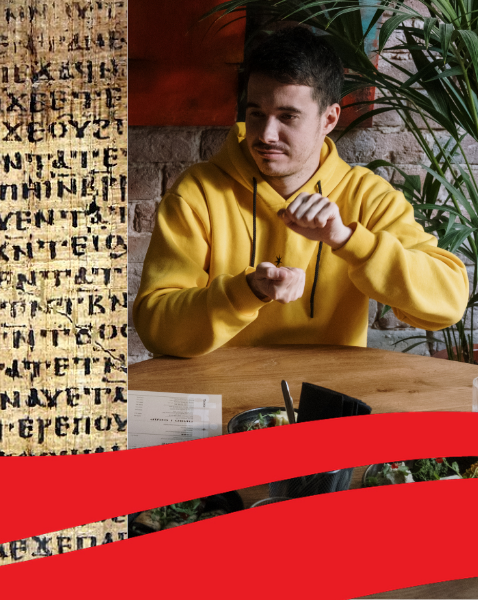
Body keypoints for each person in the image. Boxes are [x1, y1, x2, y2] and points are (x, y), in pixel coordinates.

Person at [132, 26, 469, 358]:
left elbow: (448, 304)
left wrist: (347, 239)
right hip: (224, 397)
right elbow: (156, 329)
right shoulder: (198, 193)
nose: (266, 134)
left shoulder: (368, 196)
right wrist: (246, 291)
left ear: (329, 118)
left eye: (287, 117)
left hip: (329, 400)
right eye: (256, 114)